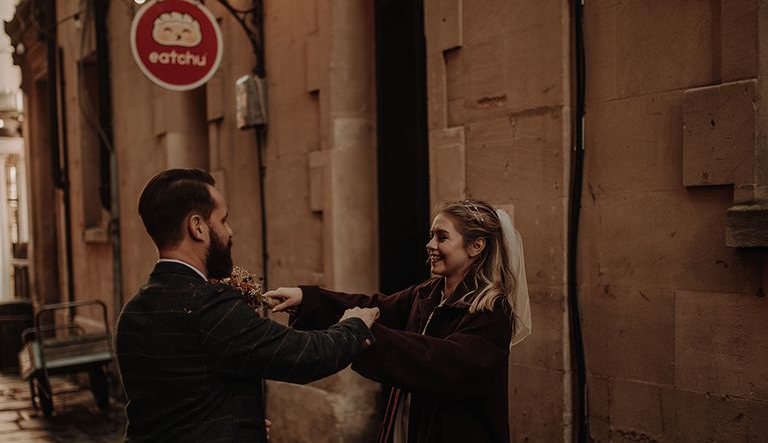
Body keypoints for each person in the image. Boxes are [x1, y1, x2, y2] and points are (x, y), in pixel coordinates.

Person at [115, 168, 379, 442]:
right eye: (223, 220)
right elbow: (306, 357)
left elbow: (176, 403)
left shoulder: (132, 311)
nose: (230, 231)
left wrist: (242, 423)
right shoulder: (207, 305)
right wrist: (354, 327)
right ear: (198, 227)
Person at [265, 199, 531, 443]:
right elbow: (375, 307)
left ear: (476, 246)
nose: (430, 245)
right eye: (431, 236)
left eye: (442, 237)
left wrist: (364, 334)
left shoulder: (492, 310)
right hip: (408, 422)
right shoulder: (427, 292)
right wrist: (308, 299)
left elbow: (448, 363)